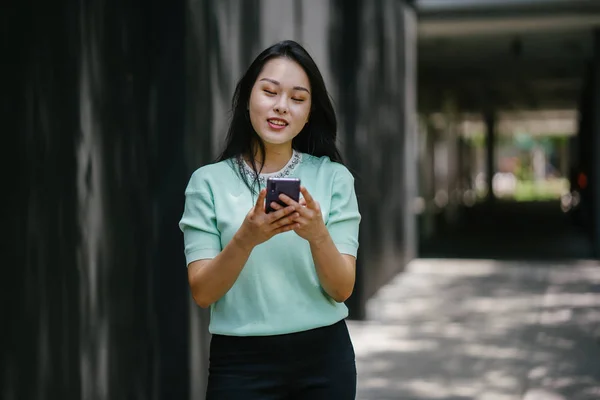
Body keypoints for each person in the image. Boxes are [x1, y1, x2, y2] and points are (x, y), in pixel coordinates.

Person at [179, 39, 361, 399]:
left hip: (324, 360)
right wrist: (246, 237)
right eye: (270, 92)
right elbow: (203, 292)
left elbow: (342, 289)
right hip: (241, 364)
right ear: (248, 97)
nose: (281, 107)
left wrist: (317, 234)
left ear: (309, 112)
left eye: (297, 98)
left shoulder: (333, 178)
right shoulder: (208, 182)